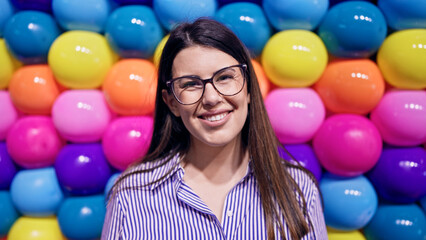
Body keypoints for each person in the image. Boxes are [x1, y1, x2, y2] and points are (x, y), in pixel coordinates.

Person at [102, 18, 327, 240]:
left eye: (225, 77)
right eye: (190, 84)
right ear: (172, 103)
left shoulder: (299, 190)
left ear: (248, 87)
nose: (211, 98)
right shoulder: (132, 195)